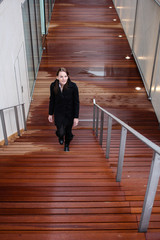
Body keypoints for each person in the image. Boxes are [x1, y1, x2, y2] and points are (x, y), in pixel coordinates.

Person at [48, 68, 79, 151]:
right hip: (58, 113)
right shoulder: (53, 86)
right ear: (57, 77)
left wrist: (76, 117)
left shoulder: (73, 86)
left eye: (65, 76)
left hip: (69, 113)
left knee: (68, 131)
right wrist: (50, 114)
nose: (63, 78)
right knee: (61, 131)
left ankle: (66, 145)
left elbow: (76, 102)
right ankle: (60, 136)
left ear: (68, 77)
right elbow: (52, 100)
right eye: (61, 76)